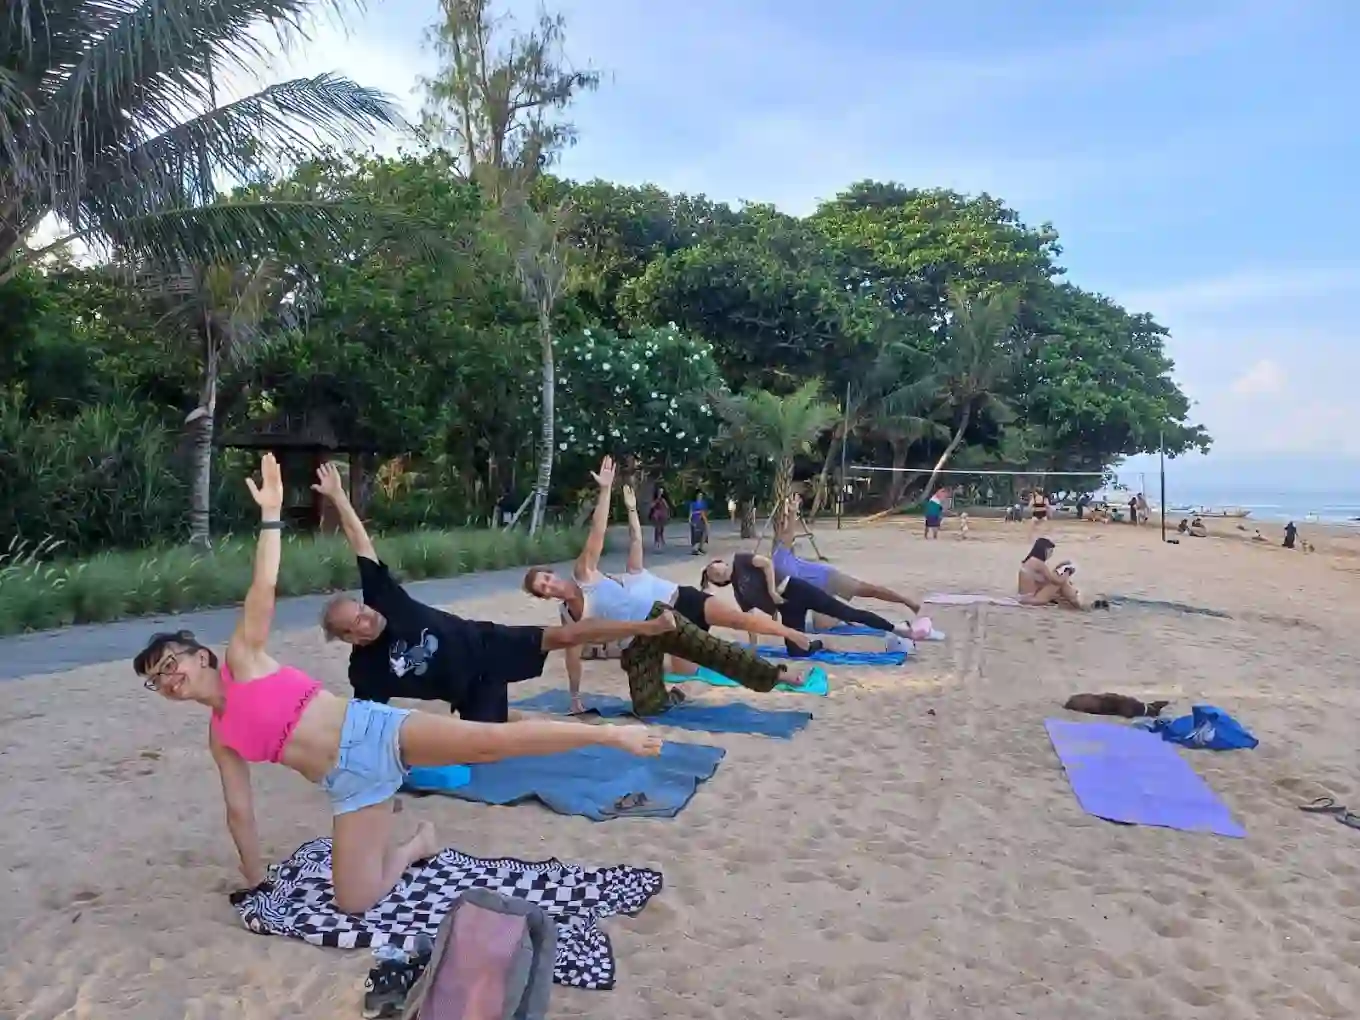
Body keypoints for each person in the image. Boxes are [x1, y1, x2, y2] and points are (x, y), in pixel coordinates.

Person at [136, 454, 661, 917]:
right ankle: (416, 844)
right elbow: (239, 809)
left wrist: (273, 514)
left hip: (374, 733)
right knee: (353, 901)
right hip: (348, 784)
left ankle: (608, 735)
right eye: (155, 680)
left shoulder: (243, 659)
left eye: (168, 664)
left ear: (199, 655)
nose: (167, 679)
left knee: (491, 742)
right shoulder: (221, 734)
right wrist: (255, 882)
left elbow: (263, 587)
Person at [311, 462, 674, 724]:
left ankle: (647, 628)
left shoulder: (382, 597)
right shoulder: (366, 671)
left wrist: (339, 496)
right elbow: (364, 721)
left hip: (485, 642)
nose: (368, 615)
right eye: (357, 620)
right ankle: (520, 723)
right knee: (488, 751)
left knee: (564, 635)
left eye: (361, 608)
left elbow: (360, 541)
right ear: (348, 637)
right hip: (469, 691)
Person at [524, 457, 820, 715]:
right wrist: (575, 696)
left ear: (553, 575)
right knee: (646, 707)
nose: (549, 585)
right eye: (543, 588)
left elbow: (598, 533)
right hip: (635, 644)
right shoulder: (567, 617)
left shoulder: (583, 574)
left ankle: (778, 675)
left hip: (659, 616)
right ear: (544, 596)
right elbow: (572, 658)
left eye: (546, 578)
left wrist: (605, 491)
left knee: (714, 651)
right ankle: (671, 695)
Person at [701, 552, 915, 654]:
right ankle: (821, 644)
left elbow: (766, 563)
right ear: (721, 582)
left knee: (850, 613)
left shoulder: (741, 560)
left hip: (796, 589)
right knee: (796, 652)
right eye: (714, 576)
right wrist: (753, 647)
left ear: (721, 562)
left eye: (716, 567)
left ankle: (898, 628)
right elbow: (748, 619)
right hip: (787, 607)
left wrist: (771, 592)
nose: (717, 571)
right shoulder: (739, 591)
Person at [771, 509, 920, 614]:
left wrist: (791, 514)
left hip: (828, 578)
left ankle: (907, 602)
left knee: (870, 591)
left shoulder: (779, 558)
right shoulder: (771, 583)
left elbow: (788, 534)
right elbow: (773, 606)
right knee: (823, 627)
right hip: (818, 594)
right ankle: (839, 609)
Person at [1017, 537, 1105, 610]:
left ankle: (1076, 601)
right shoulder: (1038, 563)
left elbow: (1046, 577)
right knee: (1061, 583)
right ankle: (1080, 606)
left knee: (1060, 586)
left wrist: (1060, 566)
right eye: (1050, 552)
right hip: (1032, 600)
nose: (1050, 554)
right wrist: (1068, 572)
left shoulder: (1031, 562)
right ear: (1044, 550)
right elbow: (1056, 581)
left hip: (1025, 598)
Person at [689, 489, 710, 555]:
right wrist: (689, 519)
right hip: (695, 518)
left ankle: (700, 547)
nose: (700, 496)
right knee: (695, 534)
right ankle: (694, 549)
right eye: (699, 495)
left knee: (704, 532)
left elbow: (705, 512)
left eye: (701, 495)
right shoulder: (693, 503)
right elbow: (691, 511)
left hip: (702, 519)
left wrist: (706, 519)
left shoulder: (703, 503)